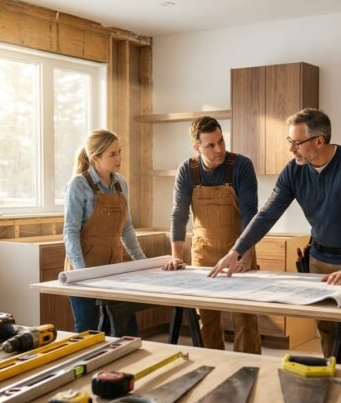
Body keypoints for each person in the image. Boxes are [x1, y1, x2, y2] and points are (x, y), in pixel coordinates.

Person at [208, 108, 341, 366]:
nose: (292, 149)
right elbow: (267, 214)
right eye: (290, 142)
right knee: (327, 329)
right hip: (319, 257)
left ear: (319, 141)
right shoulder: (294, 171)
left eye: (297, 143)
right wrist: (237, 251)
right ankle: (336, 382)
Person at [161, 116, 262, 354]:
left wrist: (245, 256)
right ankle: (213, 367)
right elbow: (178, 214)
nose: (219, 149)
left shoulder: (241, 166)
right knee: (207, 319)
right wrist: (176, 256)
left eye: (221, 141)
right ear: (197, 148)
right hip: (203, 252)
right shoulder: (188, 170)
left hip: (238, 249)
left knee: (245, 318)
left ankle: (249, 368)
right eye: (210, 145)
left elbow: (250, 214)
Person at [63, 129, 146, 335]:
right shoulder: (79, 185)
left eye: (119, 152)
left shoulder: (120, 183)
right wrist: (83, 273)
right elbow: (70, 231)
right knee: (88, 333)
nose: (119, 158)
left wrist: (143, 262)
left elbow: (126, 229)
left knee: (122, 331)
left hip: (113, 270)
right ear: (95, 158)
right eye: (112, 154)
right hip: (84, 270)